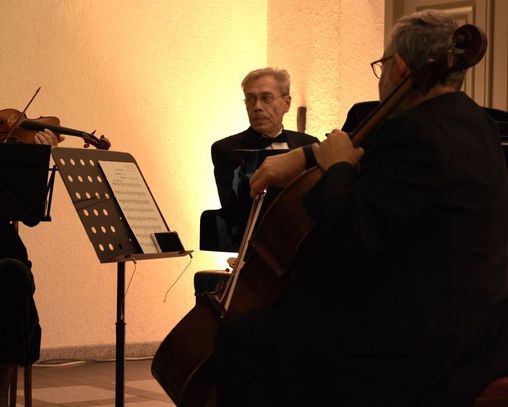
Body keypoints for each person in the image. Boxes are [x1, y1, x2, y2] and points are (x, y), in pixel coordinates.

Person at [214, 10, 508, 407]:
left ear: (399, 67)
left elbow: (353, 235)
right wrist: (312, 157)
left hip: (420, 345)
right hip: (481, 332)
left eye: (382, 66)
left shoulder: (412, 132)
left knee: (240, 339)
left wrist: (337, 167)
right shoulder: (480, 124)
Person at [0, 54, 63, 407]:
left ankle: (0, 396)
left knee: (13, 274)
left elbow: (29, 215)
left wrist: (36, 158)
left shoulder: (10, 140)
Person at [195, 68, 319, 298]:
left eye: (266, 98)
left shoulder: (309, 145)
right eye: (250, 99)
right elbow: (234, 211)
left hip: (304, 250)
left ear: (287, 103)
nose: (257, 106)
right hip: (256, 254)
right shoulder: (226, 150)